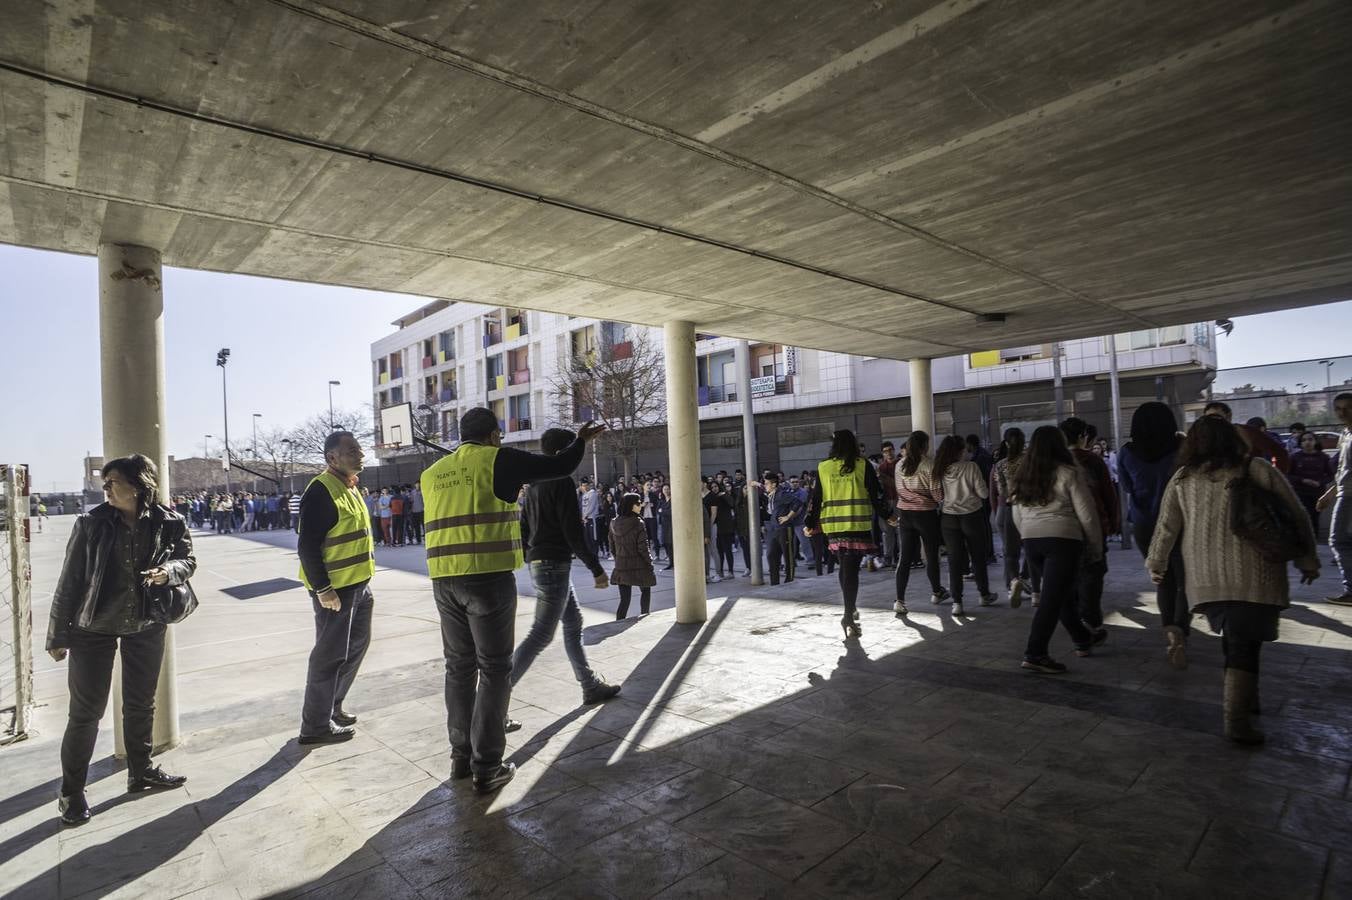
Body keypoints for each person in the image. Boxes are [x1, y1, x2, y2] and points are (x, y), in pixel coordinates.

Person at [421, 408, 604, 794]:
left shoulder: (432, 474)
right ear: (492, 436)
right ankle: (487, 766)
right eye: (499, 436)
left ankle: (460, 756)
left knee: (458, 669)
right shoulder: (496, 460)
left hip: (443, 580)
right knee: (494, 669)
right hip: (486, 578)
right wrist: (582, 441)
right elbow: (560, 465)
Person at [1147, 416, 1319, 743]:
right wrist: (1307, 560)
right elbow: (1296, 515)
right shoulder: (1255, 468)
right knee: (1244, 641)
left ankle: (1245, 697)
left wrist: (1157, 562)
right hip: (1256, 571)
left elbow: (1166, 526)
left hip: (1206, 576)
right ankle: (1236, 721)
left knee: (1237, 636)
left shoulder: (1183, 478)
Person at [46, 454, 193, 827]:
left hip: (146, 623)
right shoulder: (90, 524)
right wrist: (58, 634)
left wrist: (168, 571)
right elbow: (70, 582)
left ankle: (140, 771)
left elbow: (187, 560)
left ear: (139, 483)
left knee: (141, 704)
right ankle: (71, 792)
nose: (106, 487)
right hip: (92, 629)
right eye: (104, 482)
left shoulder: (169, 521)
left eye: (112, 481)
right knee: (86, 714)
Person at [515, 428, 621, 704]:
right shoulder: (560, 480)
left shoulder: (534, 485)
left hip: (541, 562)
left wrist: (530, 555)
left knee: (573, 623)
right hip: (553, 564)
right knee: (540, 634)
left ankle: (589, 685)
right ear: (564, 452)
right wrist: (596, 568)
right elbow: (572, 531)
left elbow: (523, 527)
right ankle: (493, 699)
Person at [296, 431, 377, 745]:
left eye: (359, 449)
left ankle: (333, 705)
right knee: (329, 657)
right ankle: (314, 726)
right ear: (332, 458)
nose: (361, 454)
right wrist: (323, 588)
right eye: (353, 450)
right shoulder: (320, 491)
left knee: (356, 647)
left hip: (359, 586)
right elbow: (307, 546)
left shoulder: (350, 487)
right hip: (336, 591)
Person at [1011, 426, 1102, 673]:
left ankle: (1083, 638)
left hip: (1032, 540)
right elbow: (1087, 514)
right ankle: (1035, 653)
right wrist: (1095, 546)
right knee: (1052, 600)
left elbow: (1016, 512)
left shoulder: (1025, 474)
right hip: (1063, 540)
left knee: (1057, 595)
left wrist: (1026, 535)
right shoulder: (1069, 472)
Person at [1117, 402, 1190, 667]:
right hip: (1180, 522)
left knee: (1162, 577)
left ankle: (1168, 627)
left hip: (1144, 523)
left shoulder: (1126, 453)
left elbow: (1125, 486)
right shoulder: (1181, 449)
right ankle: (1182, 629)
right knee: (1184, 579)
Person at [803, 429, 894, 638]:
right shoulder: (863, 465)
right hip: (856, 524)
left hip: (833, 527)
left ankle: (850, 611)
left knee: (845, 567)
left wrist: (809, 522)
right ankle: (848, 616)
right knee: (851, 569)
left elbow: (815, 498)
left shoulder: (824, 467)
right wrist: (888, 514)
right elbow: (876, 494)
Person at [1061, 417, 1118, 644]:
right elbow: (1108, 495)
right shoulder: (1093, 460)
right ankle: (1090, 622)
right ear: (1084, 436)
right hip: (1093, 524)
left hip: (1064, 528)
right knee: (1093, 573)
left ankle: (1077, 625)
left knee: (1069, 577)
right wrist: (1113, 522)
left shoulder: (1055, 461)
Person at [933, 435, 997, 614]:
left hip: (948, 518)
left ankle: (957, 603)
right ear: (960, 451)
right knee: (978, 556)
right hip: (971, 516)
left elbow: (937, 496)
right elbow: (984, 494)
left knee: (954, 560)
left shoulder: (940, 469)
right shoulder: (971, 467)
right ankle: (984, 595)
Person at [893, 431, 949, 614]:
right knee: (932, 556)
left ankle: (899, 600)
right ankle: (936, 592)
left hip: (905, 514)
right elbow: (938, 495)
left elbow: (898, 489)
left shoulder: (899, 465)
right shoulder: (929, 464)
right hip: (926, 515)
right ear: (924, 446)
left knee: (905, 559)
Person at [992, 428, 1039, 608]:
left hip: (1009, 509)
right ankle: (1033, 588)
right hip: (1029, 508)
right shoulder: (1031, 462)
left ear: (1005, 443)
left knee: (1010, 552)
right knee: (1031, 549)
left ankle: (1013, 582)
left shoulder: (1000, 464)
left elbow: (1001, 491)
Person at [1319, 392, 1352, 605]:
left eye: (1347, 408)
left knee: (1338, 540)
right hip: (1344, 492)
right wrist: (1329, 493)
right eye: (1338, 409)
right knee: (1340, 540)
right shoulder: (1345, 434)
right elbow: (1342, 469)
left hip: (1349, 494)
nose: (1343, 413)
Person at [1202, 401, 1291, 473]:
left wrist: (1275, 478)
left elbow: (1279, 452)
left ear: (1229, 416)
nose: (1213, 422)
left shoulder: (1248, 432)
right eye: (1209, 419)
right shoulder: (1204, 438)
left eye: (1217, 417)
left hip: (1251, 484)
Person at [610, 492, 656, 618]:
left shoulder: (613, 523)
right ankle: (645, 619)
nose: (640, 505)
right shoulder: (638, 523)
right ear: (631, 505)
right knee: (645, 592)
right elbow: (643, 548)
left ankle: (618, 624)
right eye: (638, 503)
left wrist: (619, 558)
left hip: (621, 566)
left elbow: (612, 548)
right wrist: (649, 562)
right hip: (640, 566)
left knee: (624, 601)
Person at [1288, 431, 1335, 537]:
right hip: (1300, 492)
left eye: (1310, 439)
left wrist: (1320, 482)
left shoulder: (1323, 457)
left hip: (1318, 492)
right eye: (1304, 440)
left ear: (1315, 441)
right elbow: (1289, 475)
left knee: (1315, 517)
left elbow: (1330, 475)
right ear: (1300, 443)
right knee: (1304, 516)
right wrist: (1302, 480)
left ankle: (1315, 541)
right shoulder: (1295, 457)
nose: (1307, 442)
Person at [763, 473, 803, 585]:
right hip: (772, 528)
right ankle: (774, 581)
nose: (765, 485)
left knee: (787, 555)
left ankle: (789, 579)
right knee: (771, 554)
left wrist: (788, 516)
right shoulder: (771, 494)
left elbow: (797, 503)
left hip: (784, 528)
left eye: (767, 483)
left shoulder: (782, 494)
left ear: (774, 484)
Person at [705, 481, 738, 579]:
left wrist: (724, 495)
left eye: (716, 486)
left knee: (727, 550)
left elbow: (732, 503)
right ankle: (721, 572)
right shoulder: (712, 498)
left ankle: (731, 571)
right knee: (719, 551)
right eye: (712, 487)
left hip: (726, 527)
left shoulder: (724, 495)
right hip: (717, 527)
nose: (714, 488)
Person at [656, 483, 674, 569]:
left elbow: (671, 512)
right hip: (663, 525)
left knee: (671, 543)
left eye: (668, 489)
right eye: (664, 489)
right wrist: (662, 511)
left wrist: (662, 511)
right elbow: (657, 511)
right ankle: (671, 561)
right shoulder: (661, 501)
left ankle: (673, 562)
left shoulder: (673, 500)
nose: (666, 491)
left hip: (672, 525)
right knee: (665, 543)